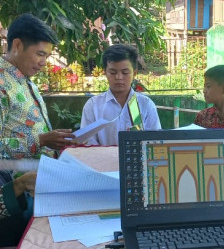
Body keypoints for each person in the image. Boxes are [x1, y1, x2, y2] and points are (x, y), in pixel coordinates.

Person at [0, 13, 76, 159]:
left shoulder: (25, 78)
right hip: (18, 180)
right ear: (17, 45)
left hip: (42, 175)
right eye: (40, 54)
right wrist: (41, 140)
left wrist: (56, 139)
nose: (44, 62)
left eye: (46, 56)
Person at [80, 44, 161, 145]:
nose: (119, 77)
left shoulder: (146, 105)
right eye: (113, 72)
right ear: (105, 73)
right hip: (102, 160)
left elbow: (154, 142)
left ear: (134, 73)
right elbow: (88, 144)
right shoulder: (93, 106)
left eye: (125, 73)